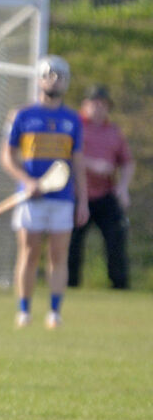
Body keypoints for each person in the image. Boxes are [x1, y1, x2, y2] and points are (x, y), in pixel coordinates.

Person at [0, 55, 89, 330]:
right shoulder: (22, 115)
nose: (54, 80)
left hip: (62, 200)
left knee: (58, 256)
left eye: (60, 76)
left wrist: (82, 201)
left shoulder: (72, 120)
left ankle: (54, 313)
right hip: (30, 199)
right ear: (39, 79)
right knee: (28, 253)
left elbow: (78, 162)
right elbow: (6, 156)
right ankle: (24, 312)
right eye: (49, 75)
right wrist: (27, 181)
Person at [68, 84, 133, 290]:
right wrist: (92, 164)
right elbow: (66, 156)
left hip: (105, 195)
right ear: (84, 105)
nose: (99, 108)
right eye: (94, 103)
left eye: (103, 104)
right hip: (78, 195)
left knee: (116, 239)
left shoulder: (113, 131)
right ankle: (70, 285)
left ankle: (119, 286)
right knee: (71, 244)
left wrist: (123, 187)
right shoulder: (74, 126)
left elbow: (128, 162)